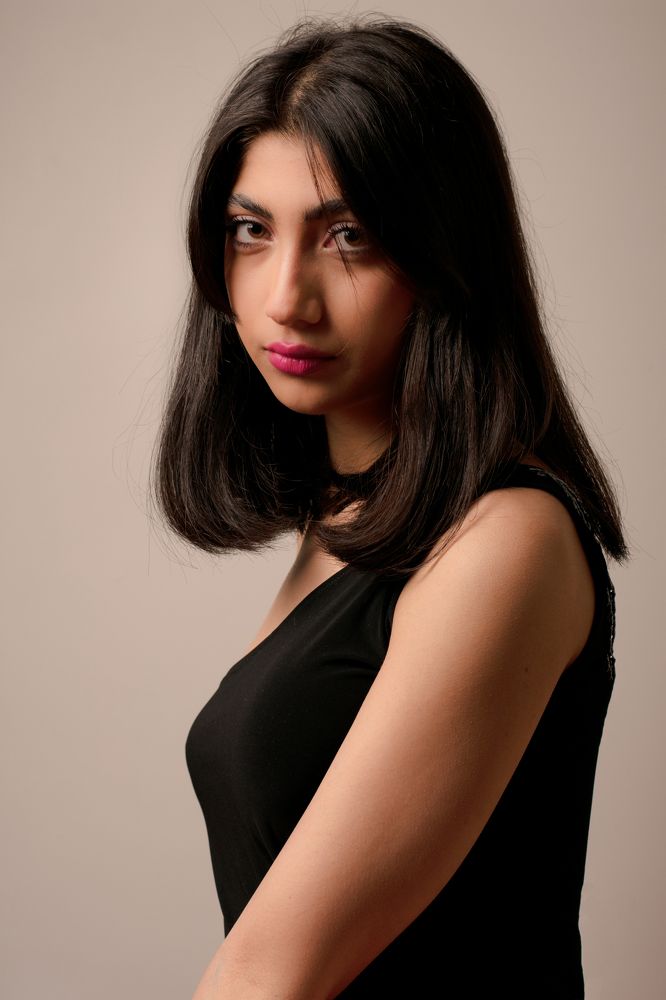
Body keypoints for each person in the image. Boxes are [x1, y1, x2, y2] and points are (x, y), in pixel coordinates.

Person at [151, 14, 629, 999]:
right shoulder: (352, 521)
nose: (286, 297)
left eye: (349, 237)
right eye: (251, 231)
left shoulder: (507, 540)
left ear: (445, 255)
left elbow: (274, 972)